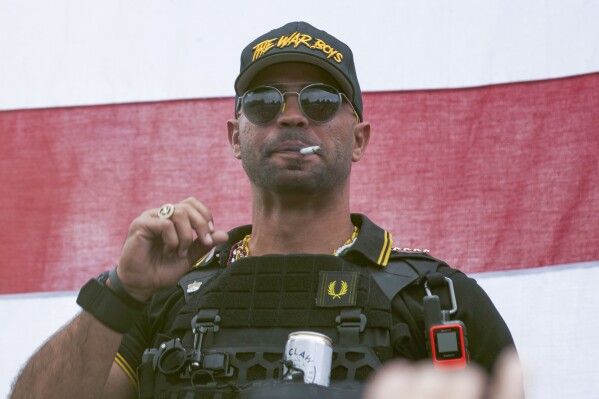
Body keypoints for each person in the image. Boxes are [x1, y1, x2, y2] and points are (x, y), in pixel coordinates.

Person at [11, 21, 516, 399]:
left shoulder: (439, 301)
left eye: (320, 101)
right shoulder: (165, 299)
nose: (292, 115)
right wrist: (123, 291)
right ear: (236, 136)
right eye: (263, 102)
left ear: (359, 139)